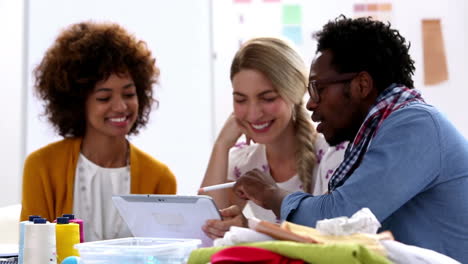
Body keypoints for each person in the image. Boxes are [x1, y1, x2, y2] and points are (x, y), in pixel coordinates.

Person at [228, 16, 468, 262]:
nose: (310, 103)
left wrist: (271, 194)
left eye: (317, 88)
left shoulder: (415, 125)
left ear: (362, 85)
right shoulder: (381, 132)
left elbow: (340, 221)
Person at [20, 21, 177, 241]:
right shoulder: (42, 167)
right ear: (77, 101)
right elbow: (34, 252)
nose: (121, 107)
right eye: (104, 97)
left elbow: (164, 254)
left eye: (129, 94)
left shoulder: (160, 178)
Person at [199, 37, 346, 239]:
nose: (252, 114)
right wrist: (221, 145)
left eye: (267, 98)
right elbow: (207, 230)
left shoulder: (334, 153)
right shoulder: (244, 161)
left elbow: (334, 240)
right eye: (240, 100)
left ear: (294, 93)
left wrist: (251, 228)